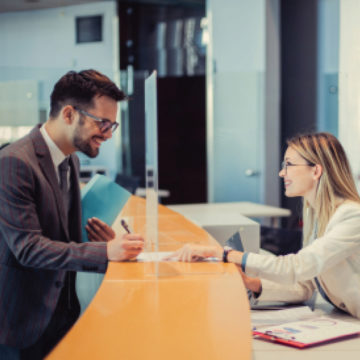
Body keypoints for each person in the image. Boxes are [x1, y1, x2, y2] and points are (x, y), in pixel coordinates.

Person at [0, 69, 144, 359]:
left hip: (62, 312)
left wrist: (100, 241)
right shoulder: (15, 162)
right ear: (68, 114)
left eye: (112, 125)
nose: (107, 134)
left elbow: (59, 233)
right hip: (22, 322)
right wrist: (103, 252)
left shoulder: (71, 160)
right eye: (102, 123)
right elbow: (28, 249)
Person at [171, 132, 360, 319]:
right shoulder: (317, 215)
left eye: (289, 165)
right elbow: (304, 286)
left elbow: (297, 267)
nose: (282, 173)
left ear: (316, 171)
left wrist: (224, 253)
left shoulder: (352, 216)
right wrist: (249, 282)